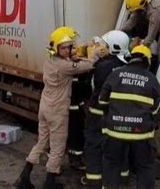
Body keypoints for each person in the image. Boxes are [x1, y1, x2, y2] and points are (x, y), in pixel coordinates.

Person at [15, 26, 103, 189]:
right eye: (65, 47)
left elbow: (68, 64)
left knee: (41, 142)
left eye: (69, 47)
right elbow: (88, 65)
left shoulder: (50, 60)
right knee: (58, 147)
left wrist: (72, 59)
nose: (69, 49)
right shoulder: (64, 66)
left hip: (45, 107)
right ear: (57, 48)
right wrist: (96, 53)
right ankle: (50, 181)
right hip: (57, 110)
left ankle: (24, 177)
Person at [99, 45, 160, 189]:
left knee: (111, 163)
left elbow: (102, 101)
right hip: (141, 134)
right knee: (145, 166)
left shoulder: (115, 74)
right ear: (147, 61)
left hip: (114, 131)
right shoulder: (152, 79)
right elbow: (156, 108)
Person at [81, 30, 131, 187]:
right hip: (119, 115)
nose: (103, 47)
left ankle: (94, 181)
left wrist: (92, 61)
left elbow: (92, 87)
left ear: (114, 47)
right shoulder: (128, 66)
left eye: (106, 45)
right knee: (119, 148)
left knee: (94, 147)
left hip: (98, 115)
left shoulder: (103, 67)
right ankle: (122, 179)